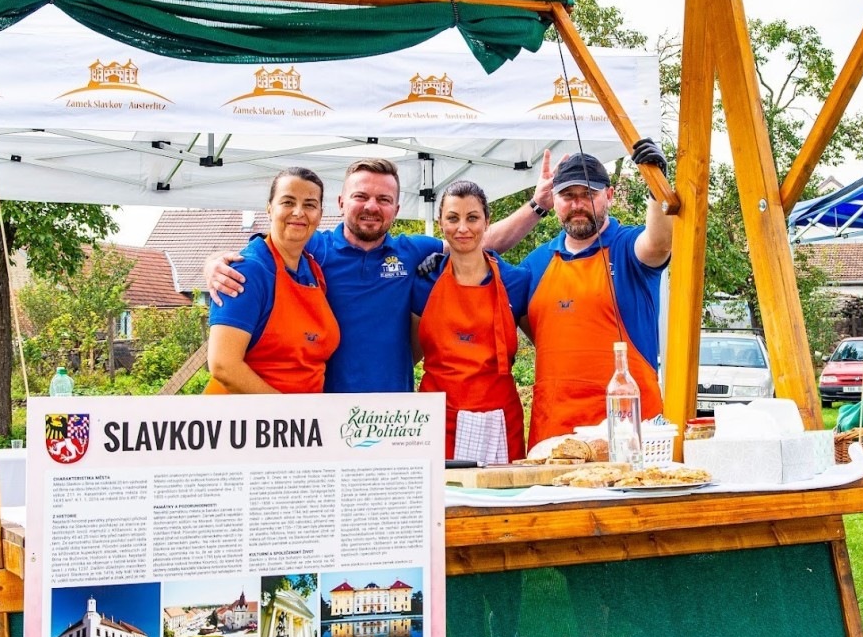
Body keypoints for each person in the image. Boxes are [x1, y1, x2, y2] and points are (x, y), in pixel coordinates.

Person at [206, 156, 554, 393]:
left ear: (397, 209)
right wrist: (214, 263)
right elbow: (273, 246)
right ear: (341, 203)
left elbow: (475, 241)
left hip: (394, 416)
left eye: (383, 199)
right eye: (361, 196)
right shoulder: (314, 251)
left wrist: (537, 205)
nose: (372, 206)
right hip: (327, 413)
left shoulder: (412, 251)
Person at [520, 139, 672, 448]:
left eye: (588, 194)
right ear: (555, 200)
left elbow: (658, 244)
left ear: (609, 196)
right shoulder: (536, 263)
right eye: (567, 196)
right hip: (553, 437)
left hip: (629, 435)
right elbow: (483, 265)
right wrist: (444, 258)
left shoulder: (628, 247)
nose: (577, 204)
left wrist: (658, 188)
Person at [411, 180, 530, 461]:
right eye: (453, 218)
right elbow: (410, 355)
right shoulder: (424, 282)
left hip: (500, 418)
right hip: (440, 417)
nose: (462, 228)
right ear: (440, 223)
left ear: (487, 222)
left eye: (472, 218)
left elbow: (545, 344)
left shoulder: (515, 281)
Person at [205, 167, 340, 393]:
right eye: (288, 202)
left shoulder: (314, 271)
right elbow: (223, 365)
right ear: (269, 209)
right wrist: (285, 416)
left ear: (320, 214)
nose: (298, 212)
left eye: (309, 205)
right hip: (246, 422)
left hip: (301, 420)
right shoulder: (247, 272)